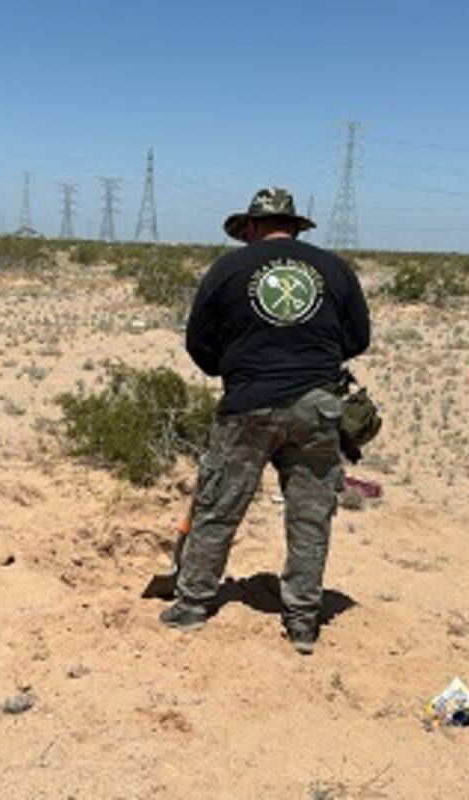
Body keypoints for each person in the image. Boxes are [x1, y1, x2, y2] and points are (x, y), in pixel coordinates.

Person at [159, 187, 371, 655]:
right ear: (294, 225)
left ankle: (192, 605)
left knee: (219, 505)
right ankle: (301, 620)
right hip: (317, 405)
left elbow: (198, 341)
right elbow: (358, 338)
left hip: (248, 404)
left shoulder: (227, 268)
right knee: (310, 514)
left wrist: (234, 369)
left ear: (252, 227)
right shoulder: (334, 269)